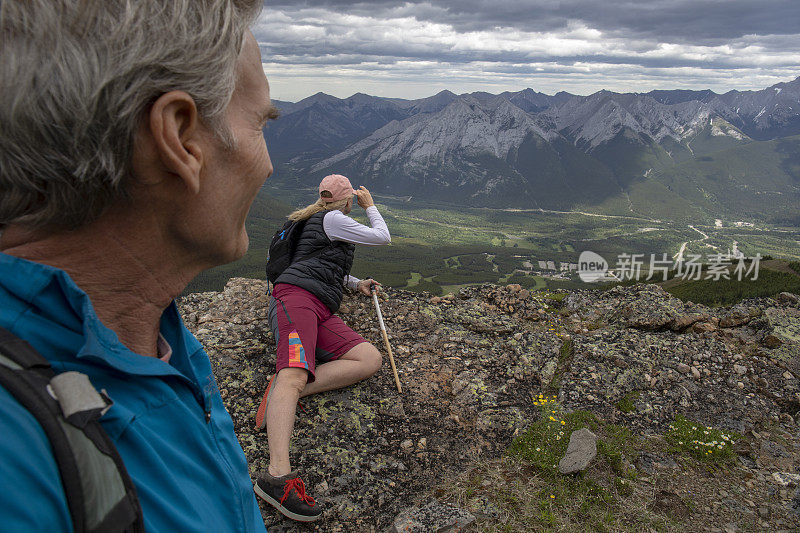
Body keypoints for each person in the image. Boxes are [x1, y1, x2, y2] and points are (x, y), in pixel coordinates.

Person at [0, 1, 275, 531]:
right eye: (262, 123)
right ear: (178, 139)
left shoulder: (164, 343)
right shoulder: (15, 451)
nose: (269, 164)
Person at [253, 174, 391, 522]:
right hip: (296, 300)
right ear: (347, 201)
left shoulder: (312, 220)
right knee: (294, 372)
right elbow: (382, 237)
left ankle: (284, 392)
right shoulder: (333, 218)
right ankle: (276, 476)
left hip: (319, 305)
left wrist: (357, 284)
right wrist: (370, 205)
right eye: (353, 203)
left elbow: (319, 265)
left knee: (368, 358)